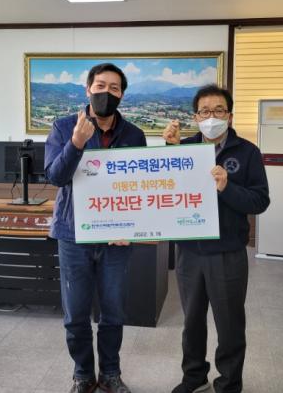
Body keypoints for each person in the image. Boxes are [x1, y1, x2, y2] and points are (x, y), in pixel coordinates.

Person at [45, 63, 146, 393]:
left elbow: (139, 186)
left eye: (114, 88)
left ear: (122, 95)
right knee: (75, 313)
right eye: (100, 85)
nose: (106, 92)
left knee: (113, 311)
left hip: (117, 238)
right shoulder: (64, 127)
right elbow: (56, 177)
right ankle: (83, 374)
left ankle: (110, 373)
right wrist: (76, 142)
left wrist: (132, 226)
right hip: (74, 235)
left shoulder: (134, 135)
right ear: (88, 89)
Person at [163, 84, 270, 393]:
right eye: (205, 111)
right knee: (191, 322)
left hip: (227, 252)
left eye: (219, 110)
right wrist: (169, 150)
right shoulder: (183, 148)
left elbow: (260, 201)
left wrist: (226, 188)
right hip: (189, 251)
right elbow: (166, 188)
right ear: (196, 117)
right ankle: (194, 377)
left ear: (230, 116)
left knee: (230, 324)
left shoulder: (248, 152)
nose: (212, 117)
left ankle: (229, 384)